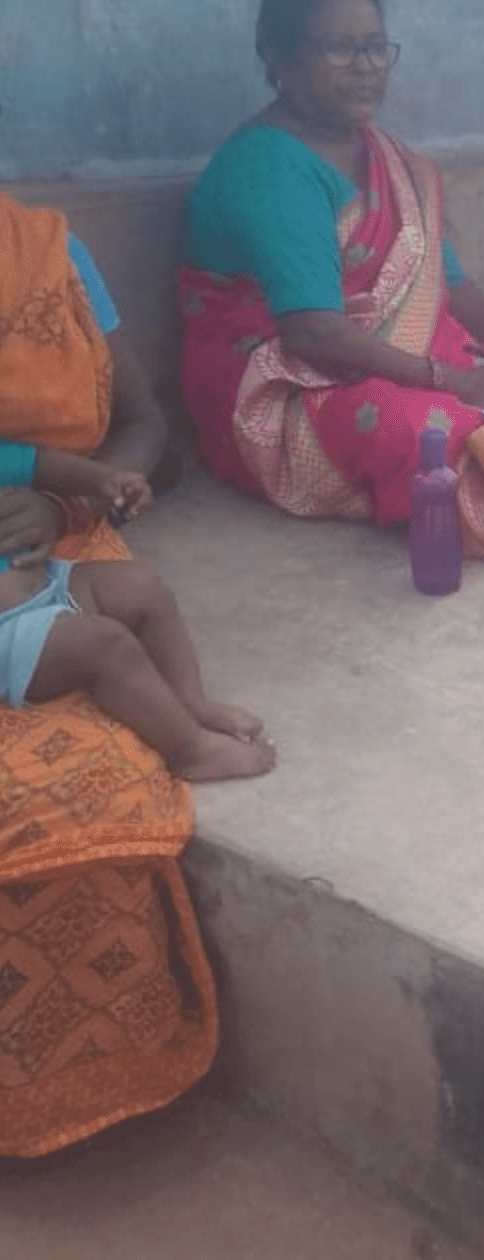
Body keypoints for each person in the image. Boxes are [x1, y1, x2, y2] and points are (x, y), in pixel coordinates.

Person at [180, 0, 484, 554]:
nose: (365, 67)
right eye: (341, 49)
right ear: (278, 54)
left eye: (375, 48)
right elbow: (313, 333)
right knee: (430, 435)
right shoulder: (269, 167)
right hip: (286, 389)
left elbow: (450, 288)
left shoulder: (391, 159)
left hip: (387, 359)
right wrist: (465, 384)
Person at [0, 189, 218, 1157]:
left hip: (54, 551)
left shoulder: (45, 252)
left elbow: (142, 429)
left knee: (111, 766)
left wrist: (71, 500)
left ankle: (104, 1071)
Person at [1, 453, 272, 781]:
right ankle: (189, 750)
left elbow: (41, 464)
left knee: (141, 586)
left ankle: (190, 702)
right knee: (102, 643)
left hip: (47, 582)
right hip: (7, 635)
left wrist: (107, 479)